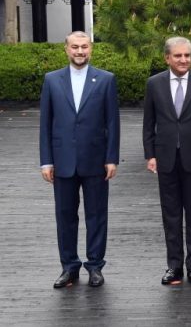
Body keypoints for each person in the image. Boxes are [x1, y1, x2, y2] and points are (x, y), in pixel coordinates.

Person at [39, 31, 120, 288]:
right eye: (75, 47)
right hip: (62, 161)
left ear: (91, 49)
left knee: (97, 215)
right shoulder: (51, 81)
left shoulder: (106, 80)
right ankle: (69, 267)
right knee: (65, 216)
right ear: (66, 49)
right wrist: (46, 161)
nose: (80, 51)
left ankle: (95, 266)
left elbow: (112, 122)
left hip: (96, 160)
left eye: (84, 47)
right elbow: (45, 124)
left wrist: (112, 158)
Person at [143, 37, 191, 285]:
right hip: (166, 158)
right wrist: (150, 154)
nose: (183, 60)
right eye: (178, 56)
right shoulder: (154, 84)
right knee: (171, 216)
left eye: (187, 55)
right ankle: (174, 266)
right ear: (167, 58)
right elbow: (149, 124)